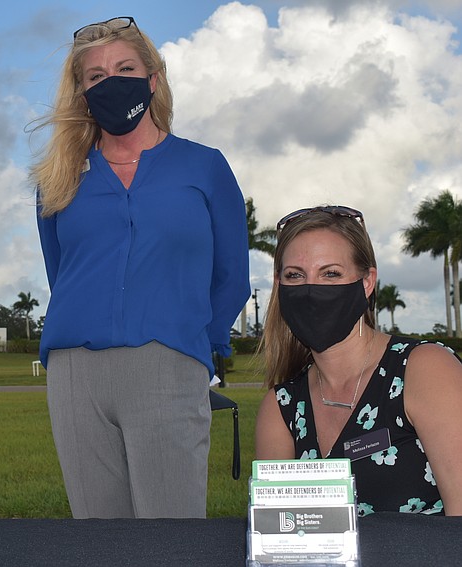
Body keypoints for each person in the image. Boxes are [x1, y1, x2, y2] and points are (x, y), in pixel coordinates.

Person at [30, 16, 250, 519]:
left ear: (152, 78)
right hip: (73, 373)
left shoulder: (204, 167)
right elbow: (61, 273)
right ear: (82, 93)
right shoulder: (57, 180)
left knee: (170, 533)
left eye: (125, 68)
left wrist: (193, 346)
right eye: (96, 76)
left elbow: (233, 276)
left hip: (168, 364)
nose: (111, 82)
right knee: (99, 535)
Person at [255, 205, 462, 516]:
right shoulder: (282, 407)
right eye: (295, 275)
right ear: (279, 285)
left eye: (331, 273)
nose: (312, 289)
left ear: (367, 283)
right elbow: (275, 534)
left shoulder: (424, 369)